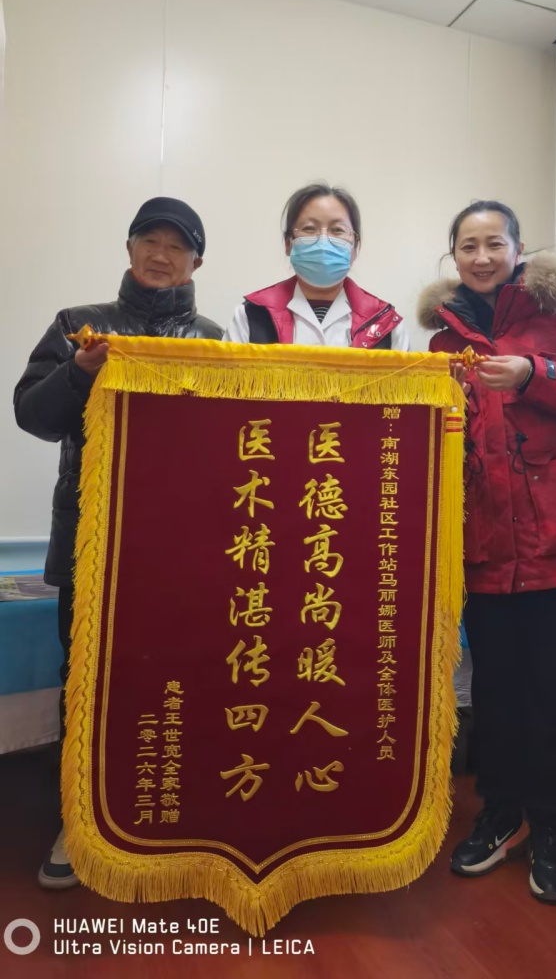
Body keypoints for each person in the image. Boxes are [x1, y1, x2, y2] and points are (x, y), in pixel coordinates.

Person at [418, 200, 556, 904]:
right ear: (454, 256)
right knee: (498, 693)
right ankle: (499, 813)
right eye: (468, 245)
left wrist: (535, 373)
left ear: (518, 250)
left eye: (494, 243)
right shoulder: (442, 343)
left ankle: (549, 827)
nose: (482, 257)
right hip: (485, 546)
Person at [14, 197, 223, 890]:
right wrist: (79, 372)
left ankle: (168, 813)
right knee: (89, 679)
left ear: (196, 261)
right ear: (129, 249)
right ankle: (80, 820)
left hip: (181, 549)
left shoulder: (215, 339)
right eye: (148, 240)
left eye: (176, 245)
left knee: (180, 676)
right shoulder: (79, 325)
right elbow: (31, 415)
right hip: (90, 539)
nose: (161, 254)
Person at [224, 183, 410, 349]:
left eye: (337, 230)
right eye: (309, 229)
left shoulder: (386, 325)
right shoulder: (252, 315)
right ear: (289, 243)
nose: (323, 241)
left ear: (354, 248)